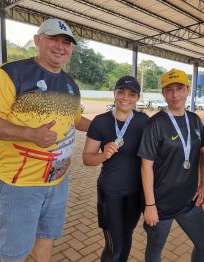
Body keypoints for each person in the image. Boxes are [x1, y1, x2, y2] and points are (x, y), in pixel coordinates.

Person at [0, 18, 90, 262]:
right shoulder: (11, 73)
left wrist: (110, 126)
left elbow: (77, 120)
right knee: (14, 252)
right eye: (53, 39)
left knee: (46, 237)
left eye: (66, 42)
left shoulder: (71, 85)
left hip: (58, 180)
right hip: (21, 183)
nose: (60, 46)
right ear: (37, 41)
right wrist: (30, 134)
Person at [138, 68, 204, 262]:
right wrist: (150, 205)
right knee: (155, 250)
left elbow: (202, 153)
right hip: (160, 203)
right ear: (163, 93)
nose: (175, 95)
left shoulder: (195, 120)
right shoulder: (155, 124)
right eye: (169, 89)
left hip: (188, 201)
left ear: (188, 90)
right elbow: (145, 166)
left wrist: (203, 183)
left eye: (179, 88)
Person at [82, 75, 149, 262]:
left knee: (126, 238)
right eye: (121, 92)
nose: (125, 97)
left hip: (135, 193)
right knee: (114, 246)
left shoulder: (144, 121)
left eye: (131, 94)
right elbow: (87, 158)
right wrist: (103, 155)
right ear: (114, 94)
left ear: (137, 97)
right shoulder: (100, 121)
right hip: (109, 192)